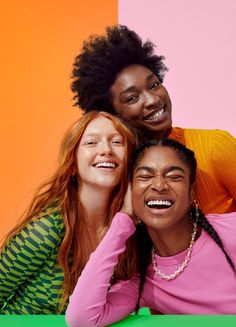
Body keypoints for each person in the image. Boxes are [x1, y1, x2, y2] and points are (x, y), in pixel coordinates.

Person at [65, 139, 236, 327]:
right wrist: (123, 220)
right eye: (145, 177)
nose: (159, 185)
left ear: (190, 192)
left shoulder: (230, 231)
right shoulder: (146, 284)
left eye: (174, 177)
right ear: (130, 192)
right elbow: (81, 318)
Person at [70, 24, 236, 215]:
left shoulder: (214, 146)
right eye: (132, 98)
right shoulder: (116, 170)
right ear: (112, 114)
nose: (153, 100)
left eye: (154, 84)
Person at [0, 111, 138, 314]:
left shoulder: (130, 230)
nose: (106, 150)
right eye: (91, 143)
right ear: (73, 163)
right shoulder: (47, 229)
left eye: (117, 142)